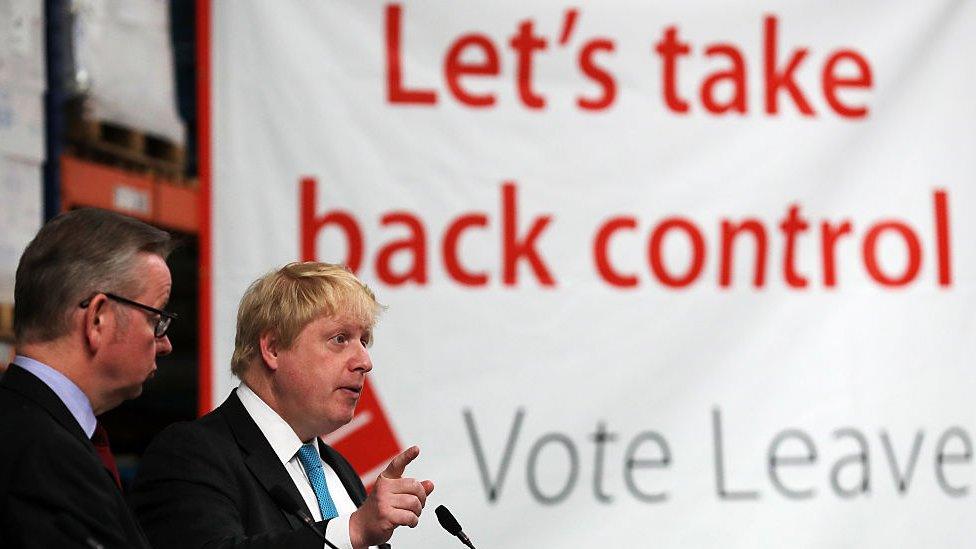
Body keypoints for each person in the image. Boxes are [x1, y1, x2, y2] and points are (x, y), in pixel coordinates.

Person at [131, 262, 434, 549]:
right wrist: (352, 530)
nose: (364, 362)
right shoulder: (191, 453)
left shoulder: (338, 469)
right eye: (340, 339)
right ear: (273, 348)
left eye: (363, 341)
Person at [0, 207, 176, 548]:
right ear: (98, 318)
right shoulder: (45, 461)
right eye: (157, 319)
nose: (165, 343)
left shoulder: (36, 434)